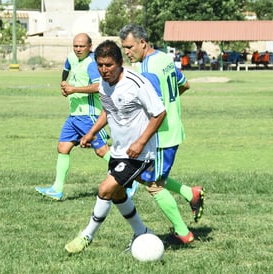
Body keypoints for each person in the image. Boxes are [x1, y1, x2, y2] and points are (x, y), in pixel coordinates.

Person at [65, 40, 166, 254]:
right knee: (118, 194)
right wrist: (91, 133)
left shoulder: (136, 83)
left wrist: (140, 142)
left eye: (109, 65)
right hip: (119, 150)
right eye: (100, 65)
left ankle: (86, 235)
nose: (104, 70)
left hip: (140, 152)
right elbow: (108, 110)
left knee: (105, 189)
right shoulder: (104, 84)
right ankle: (142, 232)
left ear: (120, 63)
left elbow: (159, 113)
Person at [119, 24, 204, 245]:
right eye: (124, 48)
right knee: (142, 175)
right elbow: (183, 84)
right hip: (172, 129)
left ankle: (183, 232)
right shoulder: (165, 58)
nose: (127, 52)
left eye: (129, 47)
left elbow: (154, 109)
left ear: (142, 43)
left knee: (154, 184)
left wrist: (141, 138)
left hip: (161, 137)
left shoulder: (147, 70)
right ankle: (190, 193)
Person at [35, 33, 110, 200]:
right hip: (74, 115)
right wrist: (63, 83)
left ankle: (129, 179)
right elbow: (66, 68)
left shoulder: (92, 63)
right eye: (75, 45)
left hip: (89, 114)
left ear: (90, 47)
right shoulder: (71, 57)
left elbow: (99, 86)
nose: (78, 49)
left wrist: (74, 89)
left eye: (82, 46)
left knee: (101, 150)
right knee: (63, 147)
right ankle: (57, 189)